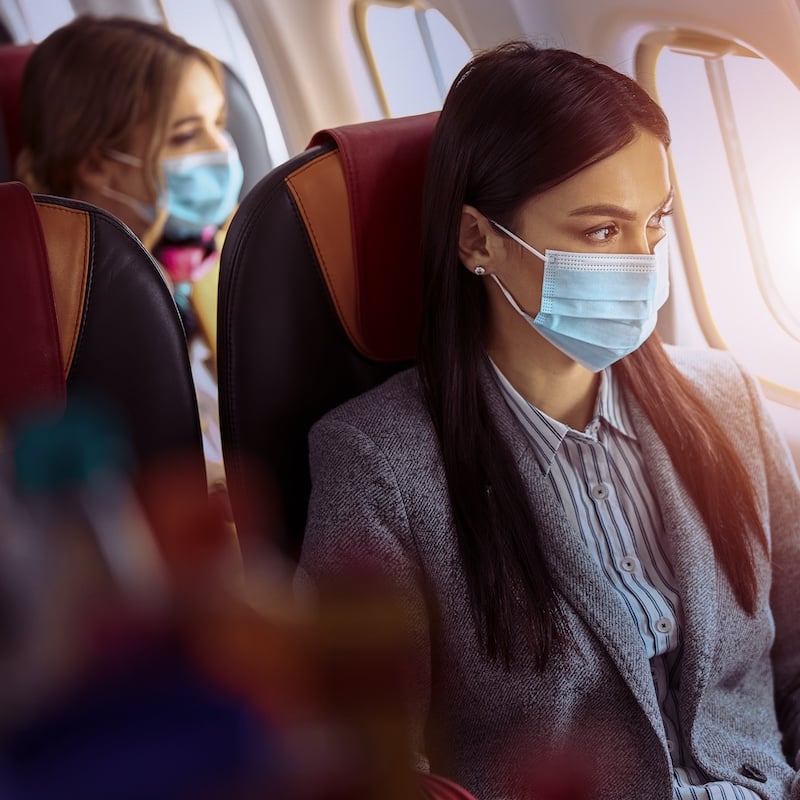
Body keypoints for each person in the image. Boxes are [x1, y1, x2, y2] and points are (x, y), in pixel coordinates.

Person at [299, 41, 800, 799]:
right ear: (479, 241)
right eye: (601, 232)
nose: (642, 263)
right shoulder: (377, 464)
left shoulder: (723, 397)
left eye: (653, 224)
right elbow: (368, 763)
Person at [16, 15, 243, 490]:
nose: (221, 149)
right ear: (99, 164)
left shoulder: (226, 258)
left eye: (218, 123)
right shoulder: (47, 318)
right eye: (185, 135)